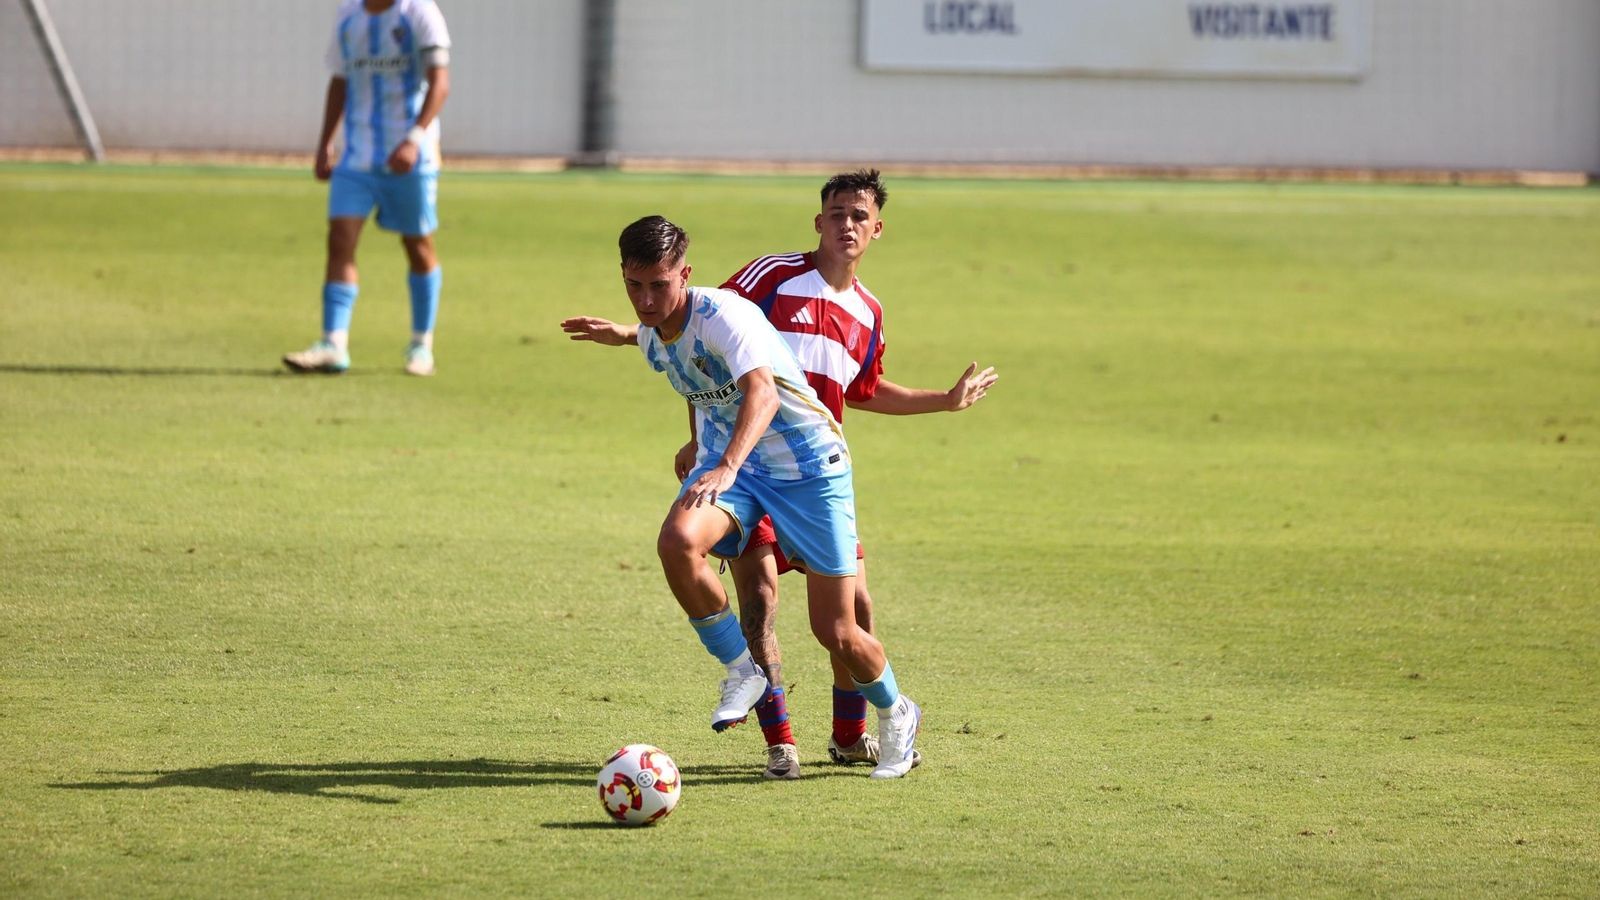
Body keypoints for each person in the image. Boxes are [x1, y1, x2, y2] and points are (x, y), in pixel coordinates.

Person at [562, 170, 996, 780]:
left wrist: (942, 402)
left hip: (810, 468)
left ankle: (875, 723)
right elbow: (695, 337)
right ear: (818, 222)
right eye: (835, 213)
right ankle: (772, 730)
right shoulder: (766, 279)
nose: (846, 224)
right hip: (738, 464)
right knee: (743, 588)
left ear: (876, 229)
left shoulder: (868, 312)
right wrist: (701, 441)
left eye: (858, 215)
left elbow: (858, 390)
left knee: (843, 623)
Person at [283, 0, 451, 377]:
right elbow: (340, 80)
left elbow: (440, 82)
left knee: (417, 245)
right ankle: (333, 343)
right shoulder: (348, 15)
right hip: (357, 156)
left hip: (410, 157)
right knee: (340, 238)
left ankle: (421, 345)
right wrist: (326, 141)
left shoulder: (418, 12)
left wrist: (414, 138)